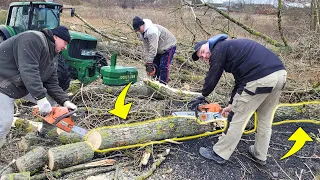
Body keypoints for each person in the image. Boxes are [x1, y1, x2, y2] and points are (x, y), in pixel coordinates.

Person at [188, 34, 287, 165]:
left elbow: (213, 75)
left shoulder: (218, 48)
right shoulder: (232, 48)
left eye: (202, 52)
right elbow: (240, 81)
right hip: (280, 75)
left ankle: (219, 153)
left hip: (260, 78)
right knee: (265, 118)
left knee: (236, 117)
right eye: (201, 57)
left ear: (207, 44)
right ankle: (260, 154)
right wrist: (231, 104)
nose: (204, 56)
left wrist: (203, 95)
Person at [0, 26, 77, 148]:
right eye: (65, 43)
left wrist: (65, 101)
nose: (65, 47)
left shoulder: (52, 55)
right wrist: (40, 98)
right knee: (4, 124)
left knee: (52, 99)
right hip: (3, 83)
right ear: (56, 37)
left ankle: (46, 133)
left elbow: (52, 83)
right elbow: (29, 70)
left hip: (19, 84)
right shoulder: (32, 39)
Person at [132, 16, 177, 85]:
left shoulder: (152, 31)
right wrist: (148, 61)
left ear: (142, 24)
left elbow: (153, 48)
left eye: (139, 28)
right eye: (137, 30)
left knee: (163, 66)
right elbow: (147, 48)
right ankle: (155, 83)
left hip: (168, 46)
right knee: (155, 65)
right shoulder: (142, 34)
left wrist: (150, 62)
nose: (138, 30)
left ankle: (163, 85)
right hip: (159, 47)